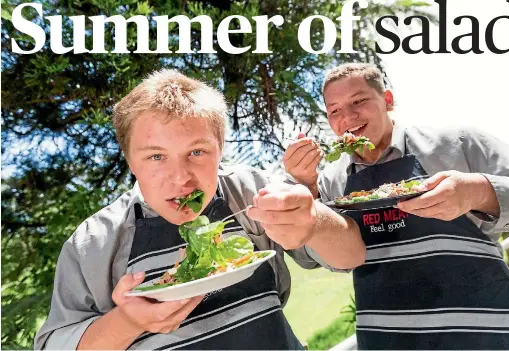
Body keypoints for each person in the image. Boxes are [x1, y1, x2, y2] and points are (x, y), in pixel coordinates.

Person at [34, 69, 365, 350]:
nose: (181, 178)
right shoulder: (93, 243)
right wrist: (127, 321)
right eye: (156, 156)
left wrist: (315, 222)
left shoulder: (249, 190)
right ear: (130, 159)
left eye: (197, 152)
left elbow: (351, 257)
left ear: (220, 149)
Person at [284, 63, 509, 350]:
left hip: (496, 338)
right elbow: (311, 261)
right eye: (335, 110)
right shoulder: (329, 182)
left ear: (388, 99)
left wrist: (480, 192)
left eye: (358, 101)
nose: (347, 118)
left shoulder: (459, 144)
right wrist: (306, 189)